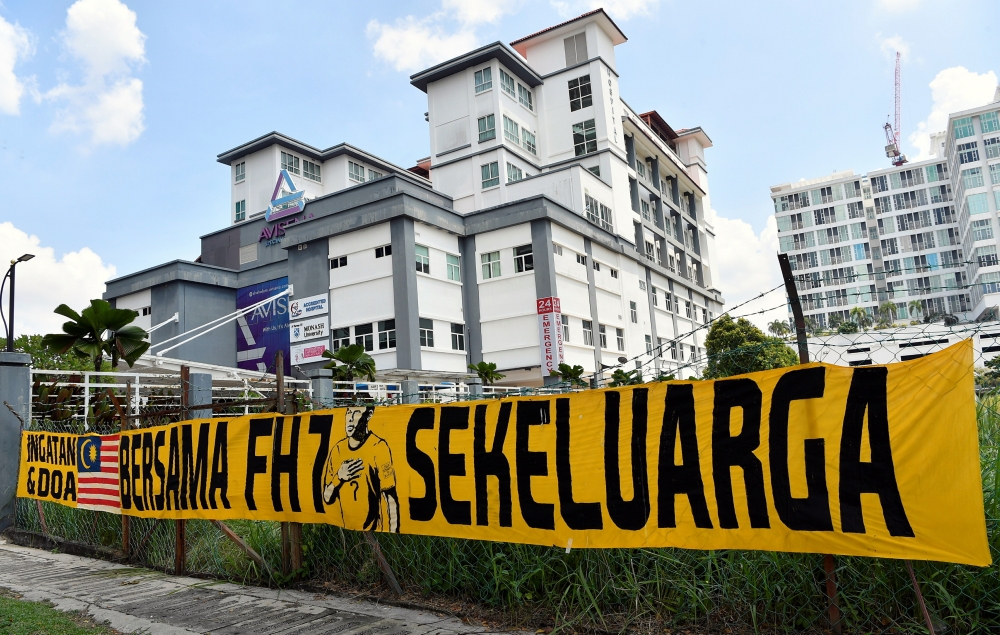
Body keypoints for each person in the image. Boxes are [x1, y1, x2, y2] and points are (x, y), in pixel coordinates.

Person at [322, 406, 399, 532]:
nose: (350, 419)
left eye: (356, 413)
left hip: (373, 529)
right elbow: (327, 497)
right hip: (345, 530)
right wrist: (339, 477)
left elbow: (390, 497)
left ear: (369, 415)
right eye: (348, 413)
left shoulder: (378, 447)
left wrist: (394, 531)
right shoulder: (338, 449)